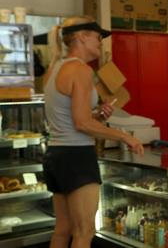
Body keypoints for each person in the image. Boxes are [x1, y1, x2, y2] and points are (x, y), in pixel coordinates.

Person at [43, 16, 144, 248]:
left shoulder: (54, 68)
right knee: (84, 232)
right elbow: (81, 124)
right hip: (77, 157)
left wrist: (98, 114)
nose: (101, 43)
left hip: (56, 156)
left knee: (63, 230)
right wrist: (125, 136)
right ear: (81, 37)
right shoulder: (81, 70)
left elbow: (72, 118)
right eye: (98, 38)